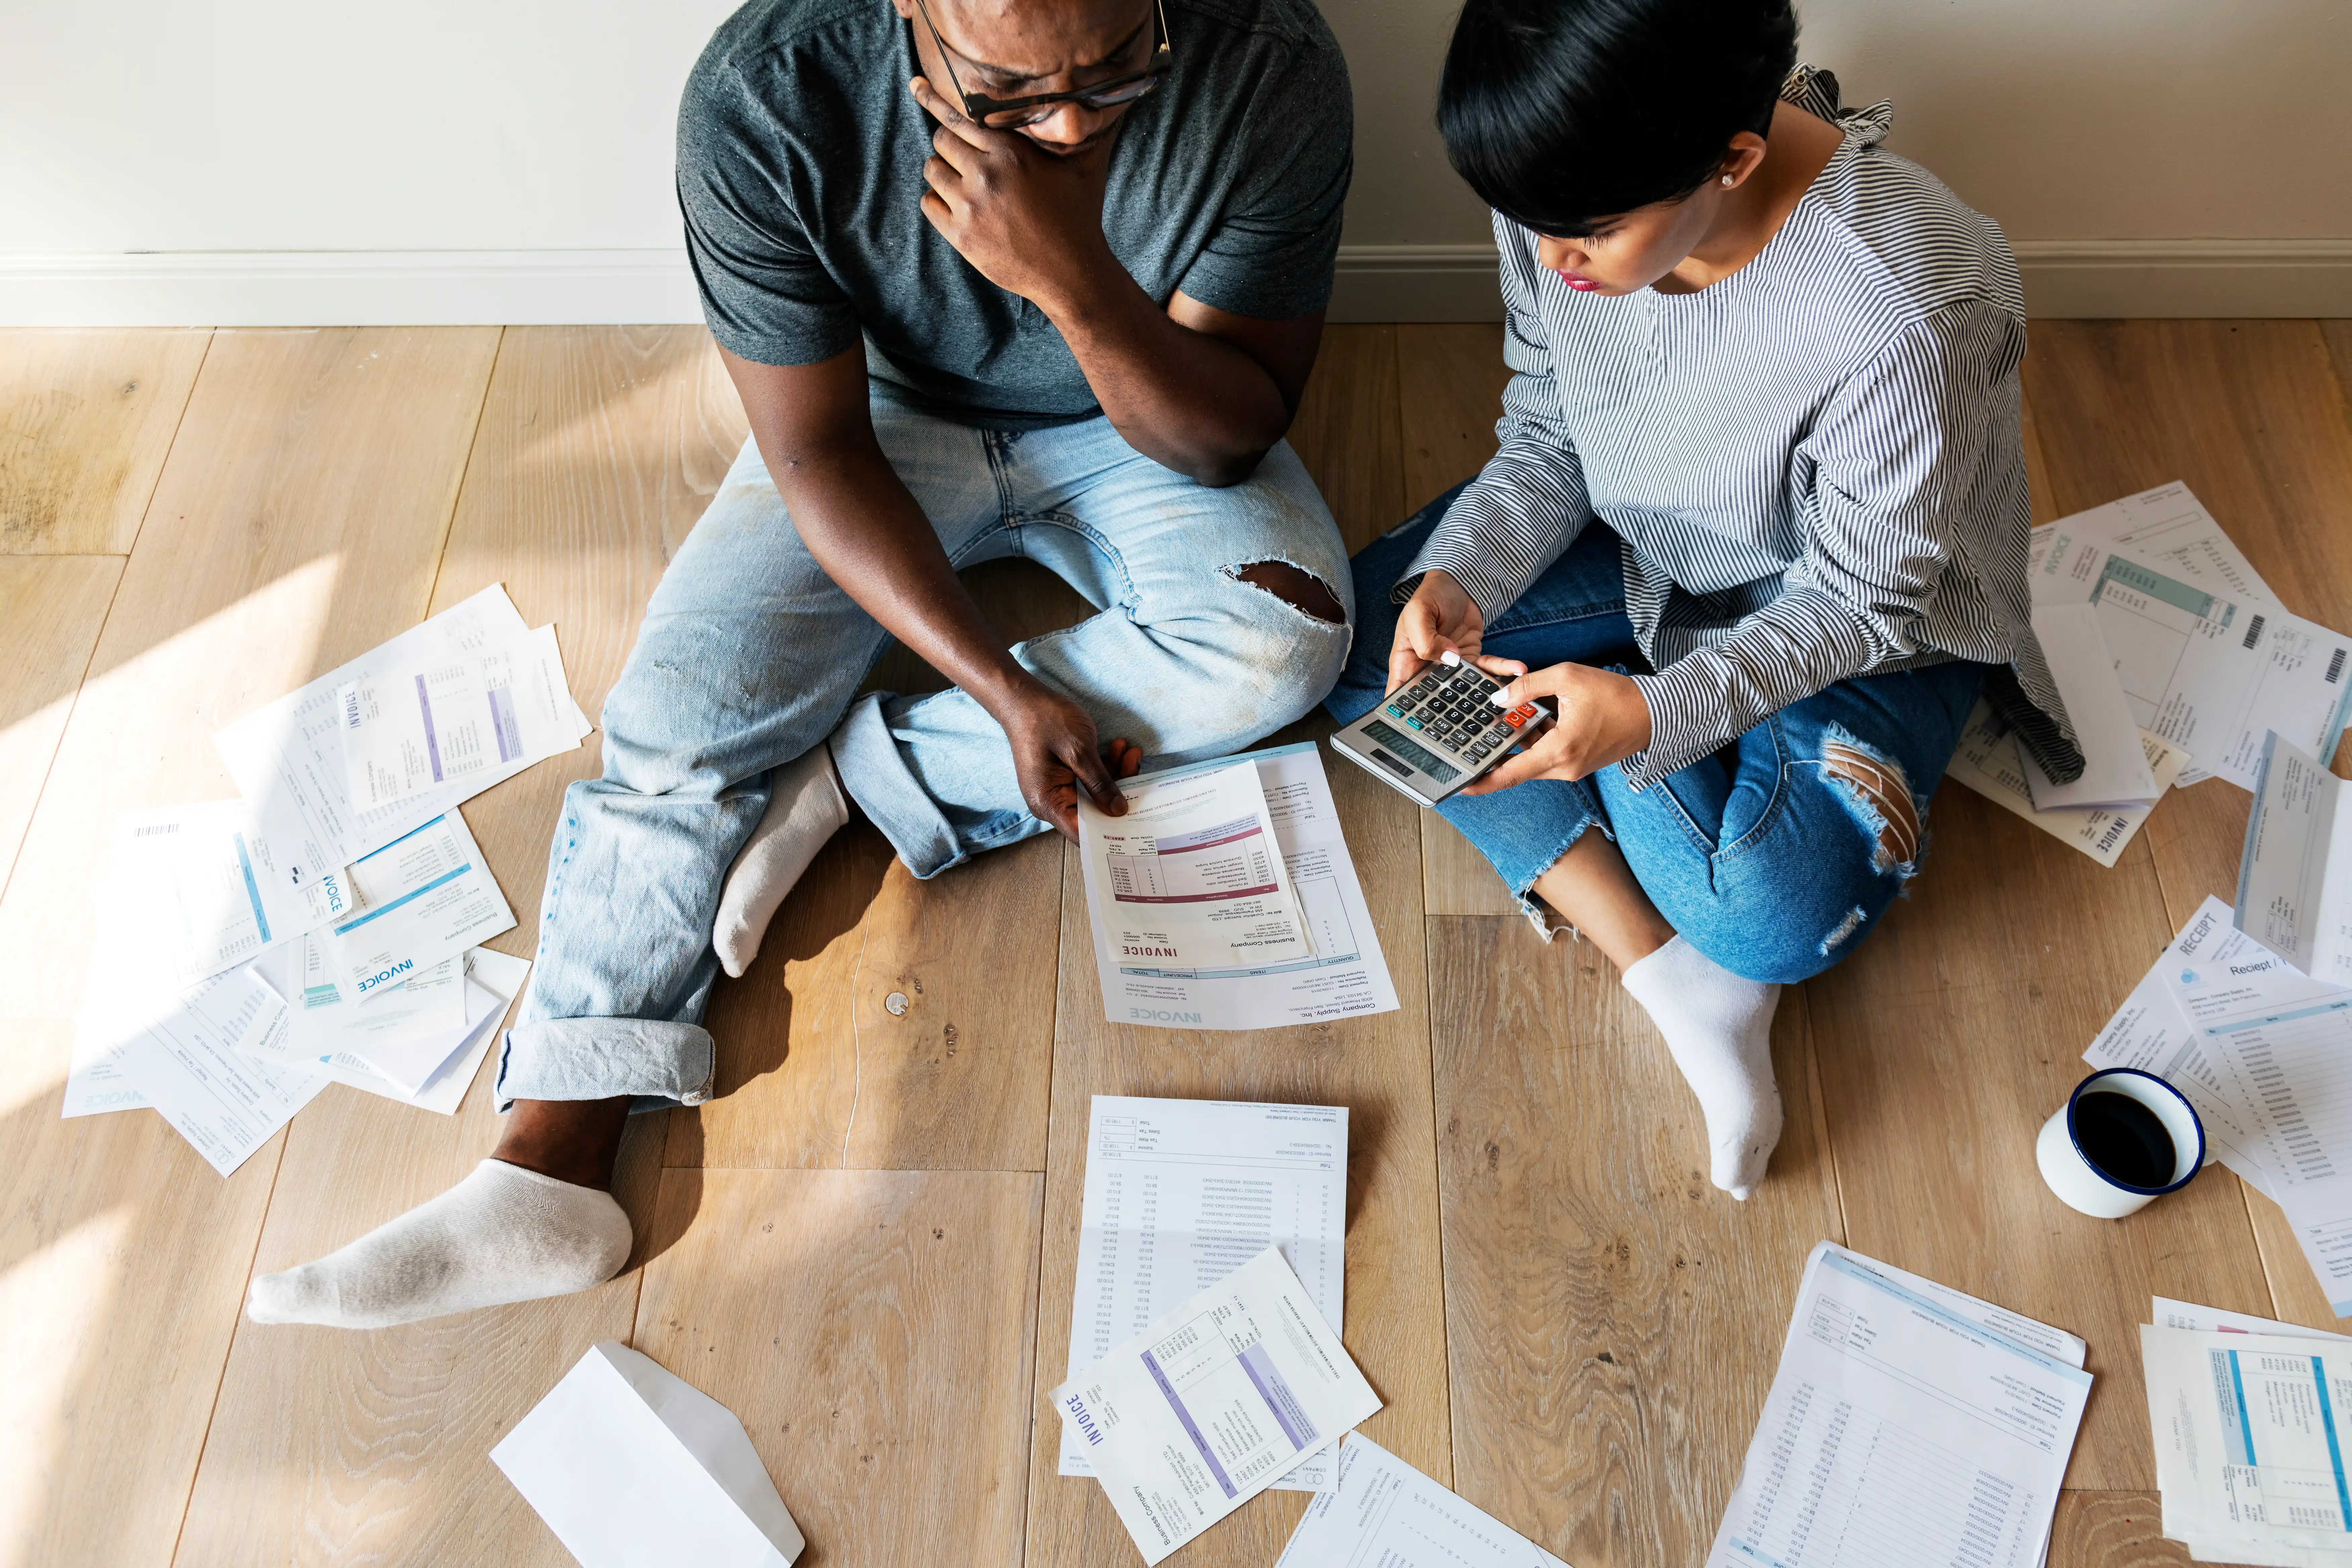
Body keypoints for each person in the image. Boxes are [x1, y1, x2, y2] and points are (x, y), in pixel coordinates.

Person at [247, 0, 1356, 1329]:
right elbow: (816, 451)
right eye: (1009, 95)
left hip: (1148, 412)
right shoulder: (766, 99)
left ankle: (850, 779)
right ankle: (553, 1151)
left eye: (1117, 72)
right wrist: (1002, 688)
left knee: (1282, 642)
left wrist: (1069, 277)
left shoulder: (1268, 64)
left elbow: (1228, 436)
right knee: (673, 720)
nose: (1067, 122)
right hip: (885, 423)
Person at [1328, 0, 2080, 1200]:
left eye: (1586, 238)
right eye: (1530, 228)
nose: (1551, 264)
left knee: (1772, 915)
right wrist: (1460, 577)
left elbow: (1870, 600)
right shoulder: (1563, 178)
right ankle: (1671, 973)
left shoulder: (1913, 300)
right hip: (1652, 548)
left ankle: (1685, 876)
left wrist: (1651, 714)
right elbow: (1551, 429)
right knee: (1350, 633)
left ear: (1732, 158)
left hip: (1860, 629)